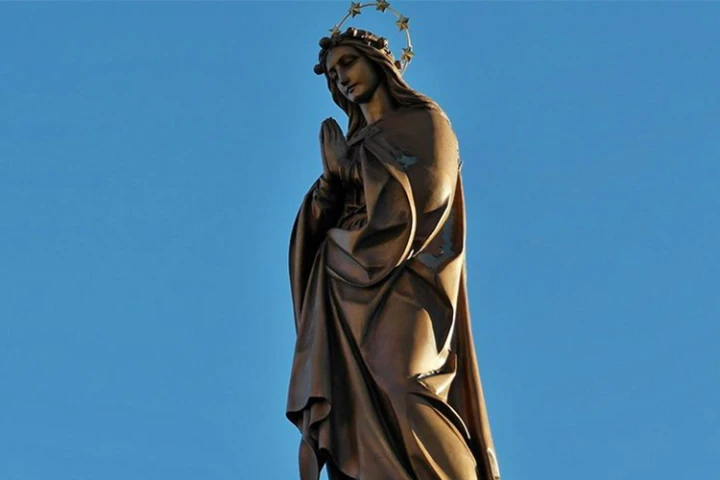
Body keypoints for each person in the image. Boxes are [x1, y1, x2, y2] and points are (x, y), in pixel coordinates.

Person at [286, 27, 501, 480]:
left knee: (406, 384)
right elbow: (315, 223)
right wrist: (330, 184)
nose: (342, 78)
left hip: (408, 275)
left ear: (378, 63)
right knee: (354, 404)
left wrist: (352, 170)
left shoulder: (424, 122)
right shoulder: (352, 144)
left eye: (348, 63)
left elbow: (430, 191)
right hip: (343, 283)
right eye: (332, 74)